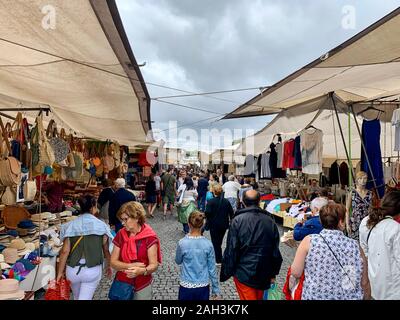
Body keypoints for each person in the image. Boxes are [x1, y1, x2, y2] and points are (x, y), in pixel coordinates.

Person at [291, 203, 371, 300]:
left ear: (321, 221)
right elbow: (364, 282)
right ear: (341, 222)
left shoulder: (309, 241)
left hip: (316, 296)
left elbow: (296, 272)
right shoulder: (355, 246)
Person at [220, 190, 282, 300]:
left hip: (244, 272)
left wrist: (227, 271)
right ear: (259, 201)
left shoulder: (238, 220)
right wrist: (273, 273)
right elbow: (275, 250)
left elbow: (232, 249)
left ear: (243, 202)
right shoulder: (269, 220)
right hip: (263, 271)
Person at [57, 195, 113, 300]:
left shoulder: (70, 225)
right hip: (92, 269)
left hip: (72, 269)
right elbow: (106, 249)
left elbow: (64, 251)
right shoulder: (102, 226)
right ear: (93, 206)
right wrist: (109, 265)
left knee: (77, 297)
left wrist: (60, 272)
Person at [110, 201, 162, 300]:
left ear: (137, 218)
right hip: (122, 283)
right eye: (122, 219)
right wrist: (130, 266)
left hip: (142, 285)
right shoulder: (121, 234)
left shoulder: (149, 237)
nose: (122, 223)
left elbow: (154, 265)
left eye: (125, 219)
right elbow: (113, 262)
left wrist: (143, 270)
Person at [359, 191, 400, 300]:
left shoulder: (365, 221)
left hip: (373, 280)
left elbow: (364, 251)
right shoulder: (395, 228)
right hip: (393, 287)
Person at [175, 211, 221, 300]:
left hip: (186, 284)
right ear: (203, 225)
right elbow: (212, 269)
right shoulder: (208, 244)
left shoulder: (182, 243)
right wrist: (216, 289)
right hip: (203, 285)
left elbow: (178, 260)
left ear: (189, 224)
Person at [205, 185, 234, 265]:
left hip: (213, 224)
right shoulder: (226, 201)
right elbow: (231, 213)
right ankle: (218, 256)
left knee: (215, 242)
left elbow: (207, 213)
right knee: (219, 241)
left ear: (214, 192)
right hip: (224, 224)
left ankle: (218, 259)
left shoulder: (211, 201)